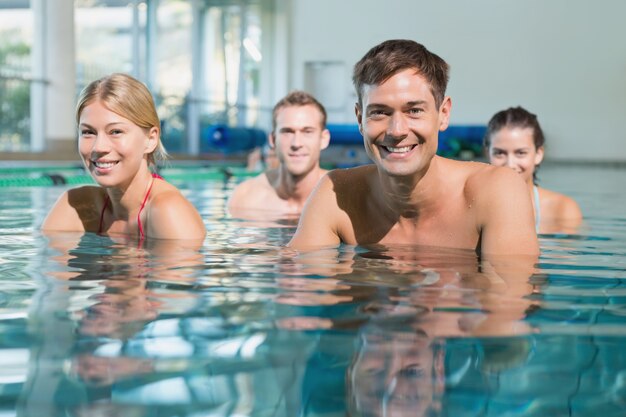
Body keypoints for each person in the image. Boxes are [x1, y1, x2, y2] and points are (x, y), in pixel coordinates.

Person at [288, 39, 538, 256]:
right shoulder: (337, 195)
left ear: (443, 114)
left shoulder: (496, 192)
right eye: (379, 112)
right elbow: (299, 293)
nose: (397, 130)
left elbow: (508, 305)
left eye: (414, 111)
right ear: (360, 119)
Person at [41, 73, 206, 241]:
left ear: (151, 139)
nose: (99, 147)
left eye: (116, 132)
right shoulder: (78, 206)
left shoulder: (168, 212)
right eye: (88, 132)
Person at [228, 90, 331, 217]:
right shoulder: (245, 198)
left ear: (324, 139)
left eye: (307, 132)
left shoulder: (342, 196)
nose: (296, 143)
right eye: (287, 132)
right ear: (273, 139)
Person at [484, 106, 583, 232]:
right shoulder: (473, 206)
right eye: (499, 153)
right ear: (488, 154)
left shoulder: (562, 209)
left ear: (538, 154)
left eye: (521, 153)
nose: (510, 164)